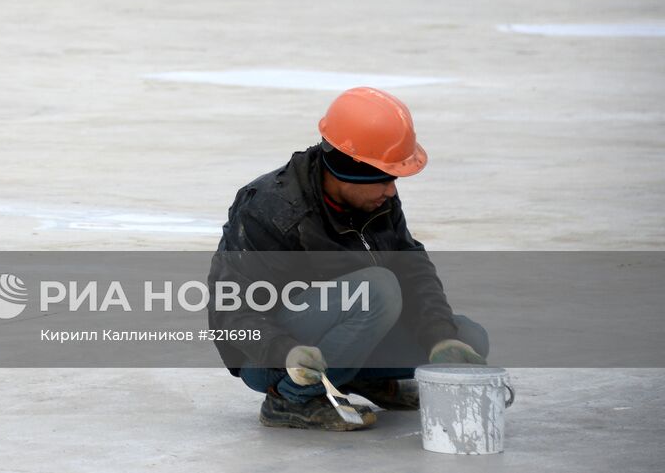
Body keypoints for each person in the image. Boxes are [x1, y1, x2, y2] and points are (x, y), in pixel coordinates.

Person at [209, 87, 489, 431]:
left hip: (341, 331)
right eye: (384, 179)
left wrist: (440, 336)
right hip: (272, 354)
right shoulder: (272, 209)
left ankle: (359, 379)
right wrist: (285, 350)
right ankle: (290, 399)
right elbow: (232, 311)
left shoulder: (375, 199)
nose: (391, 190)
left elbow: (410, 266)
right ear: (352, 170)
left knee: (469, 338)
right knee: (377, 291)